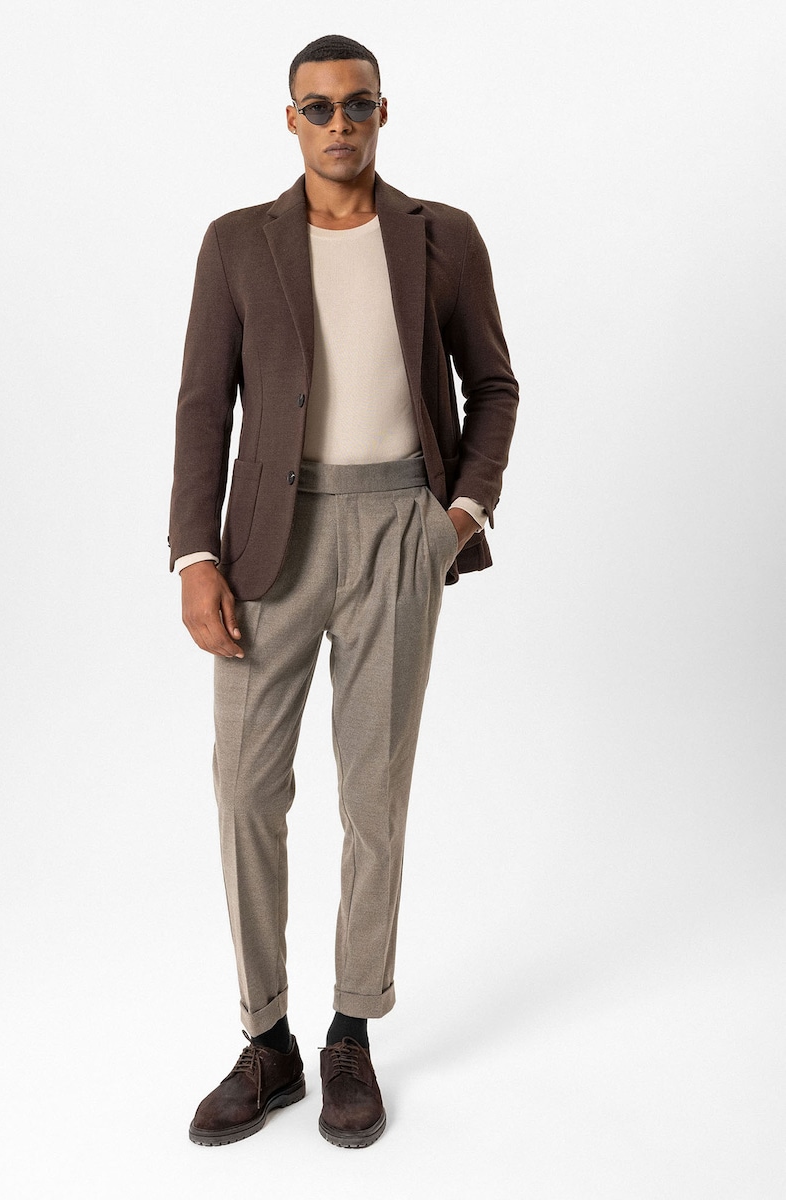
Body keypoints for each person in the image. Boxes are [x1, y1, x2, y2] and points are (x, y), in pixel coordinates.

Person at [169, 33, 519, 1149]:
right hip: (267, 542)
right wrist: (193, 556)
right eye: (317, 108)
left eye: (356, 104)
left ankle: (350, 1032)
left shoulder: (442, 235)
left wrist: (460, 514)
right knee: (244, 791)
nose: (338, 124)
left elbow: (494, 384)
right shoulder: (237, 242)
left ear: (382, 112)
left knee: (374, 799)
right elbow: (203, 405)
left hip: (399, 533)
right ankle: (266, 1039)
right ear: (291, 120)